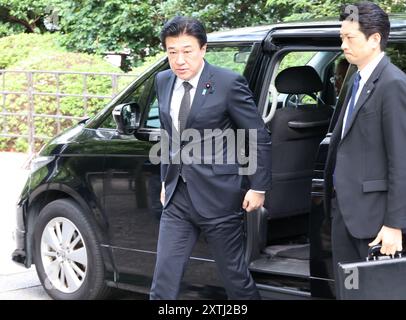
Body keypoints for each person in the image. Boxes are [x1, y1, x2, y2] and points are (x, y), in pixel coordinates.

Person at [150, 16, 272, 300]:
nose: (179, 60)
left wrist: (258, 186)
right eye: (172, 52)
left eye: (187, 51)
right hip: (178, 196)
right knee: (163, 281)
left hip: (219, 196)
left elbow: (257, 134)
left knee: (235, 278)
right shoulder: (163, 80)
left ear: (203, 49)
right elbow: (169, 134)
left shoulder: (228, 83)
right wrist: (166, 180)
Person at [324, 1, 406, 292]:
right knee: (351, 291)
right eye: (341, 38)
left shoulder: (392, 83)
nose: (343, 45)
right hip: (346, 214)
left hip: (376, 221)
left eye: (350, 38)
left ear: (374, 39)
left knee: (377, 294)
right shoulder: (356, 79)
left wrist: (395, 225)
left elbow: (401, 158)